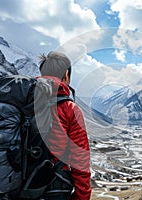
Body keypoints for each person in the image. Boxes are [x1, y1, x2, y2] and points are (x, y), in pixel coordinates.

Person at [39, 51, 91, 200]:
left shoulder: (18, 98)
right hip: (51, 189)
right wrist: (82, 197)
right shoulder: (68, 108)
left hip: (6, 185)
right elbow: (80, 158)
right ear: (66, 75)